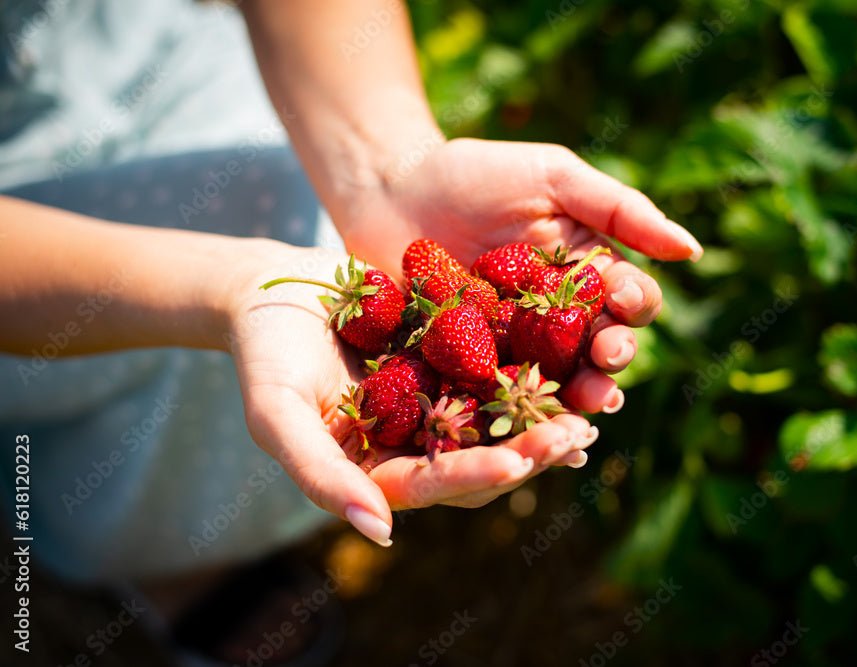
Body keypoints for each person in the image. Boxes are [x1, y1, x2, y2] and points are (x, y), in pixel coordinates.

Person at [0, 0, 701, 662]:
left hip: (169, 58)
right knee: (253, 308)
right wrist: (227, 286)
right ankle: (168, 557)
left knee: (331, 233)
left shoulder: (447, 317)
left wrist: (387, 170)